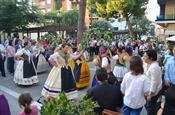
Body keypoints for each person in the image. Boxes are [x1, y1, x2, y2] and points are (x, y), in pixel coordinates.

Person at [143, 49, 162, 115]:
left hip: (153, 90)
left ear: (150, 58)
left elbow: (154, 82)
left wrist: (150, 93)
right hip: (147, 87)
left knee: (149, 107)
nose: (143, 58)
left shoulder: (154, 67)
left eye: (145, 56)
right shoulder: (146, 64)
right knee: (147, 104)